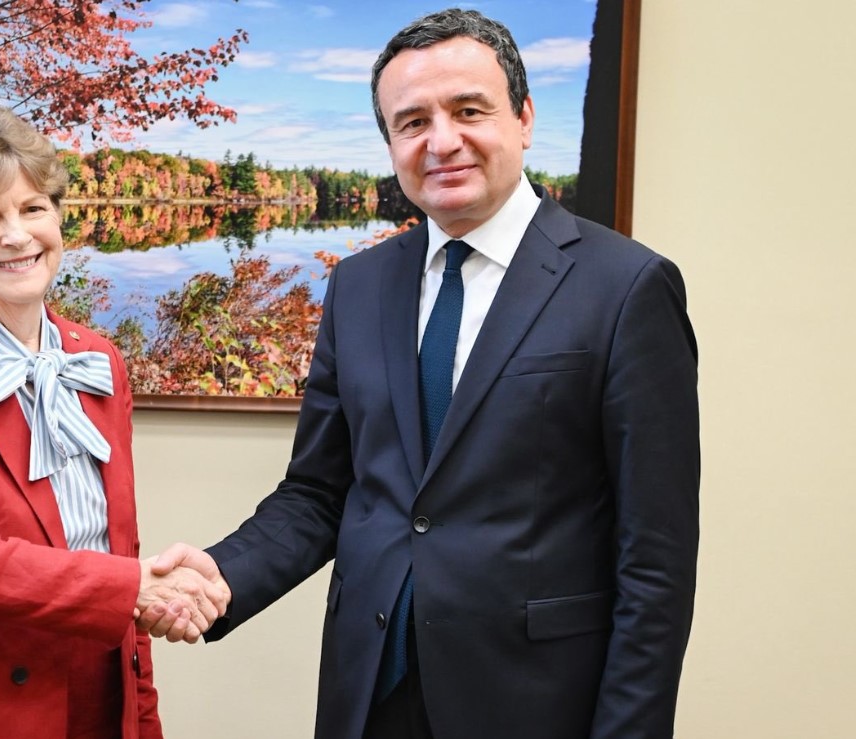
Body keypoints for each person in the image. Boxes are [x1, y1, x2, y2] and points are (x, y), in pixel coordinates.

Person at [147, 8, 699, 739]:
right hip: (370, 691)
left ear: (524, 118)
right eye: (412, 122)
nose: (441, 141)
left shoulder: (627, 288)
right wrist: (224, 574)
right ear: (390, 144)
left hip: (534, 701)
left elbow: (655, 561)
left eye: (469, 110)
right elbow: (320, 491)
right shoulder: (359, 285)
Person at [0, 106, 229, 739]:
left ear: (57, 219)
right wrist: (130, 588)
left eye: (32, 209)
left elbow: (116, 549)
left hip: (100, 692)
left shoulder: (97, 359)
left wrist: (142, 714)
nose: (17, 236)